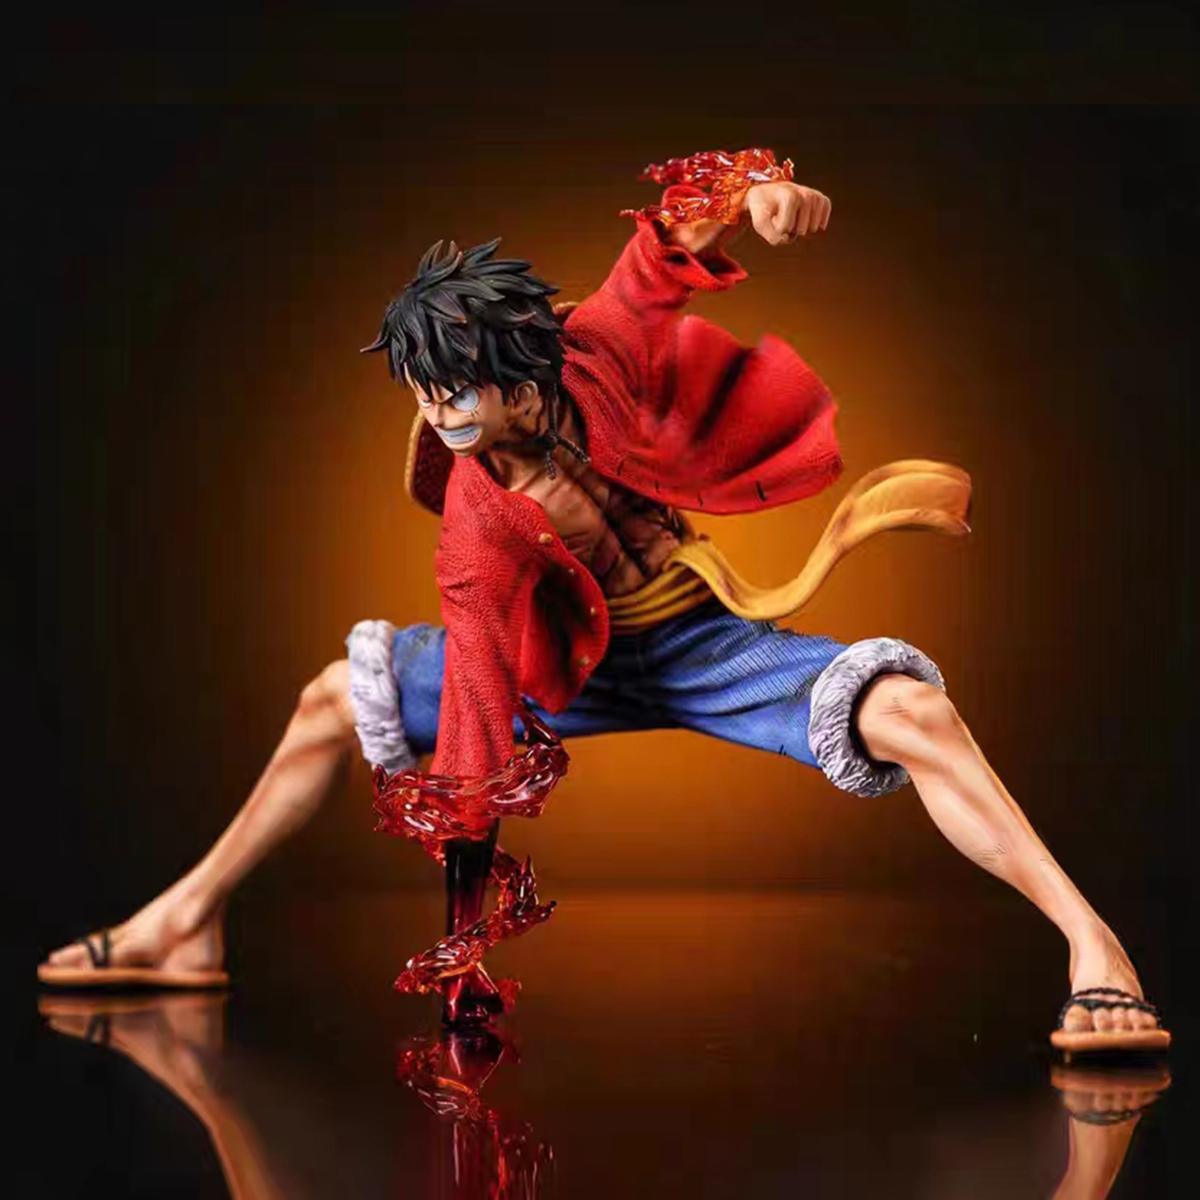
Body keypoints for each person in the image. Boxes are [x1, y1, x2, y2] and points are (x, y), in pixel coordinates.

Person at [40, 149, 1168, 1052]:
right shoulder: (478, 526)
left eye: (458, 387)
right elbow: (476, 713)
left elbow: (666, 245)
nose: (442, 415)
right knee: (334, 699)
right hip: (552, 672)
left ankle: (1095, 948)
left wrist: (755, 194)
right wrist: (463, 953)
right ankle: (184, 922)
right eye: (425, 395)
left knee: (915, 712)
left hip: (698, 646)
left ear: (519, 365)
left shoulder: (595, 352)